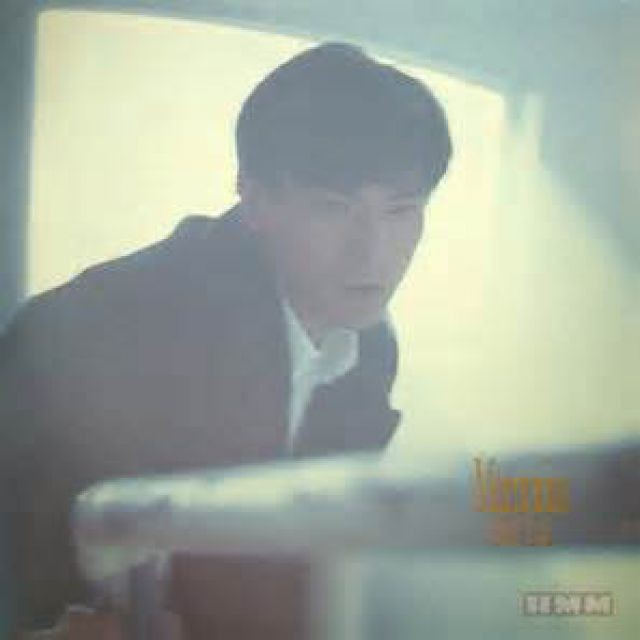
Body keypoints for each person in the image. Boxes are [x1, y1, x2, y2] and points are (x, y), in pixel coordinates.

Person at [0, 42, 452, 636]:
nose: (373, 253)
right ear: (254, 198)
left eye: (400, 212)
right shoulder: (106, 322)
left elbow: (308, 556)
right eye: (333, 209)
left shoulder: (368, 347)